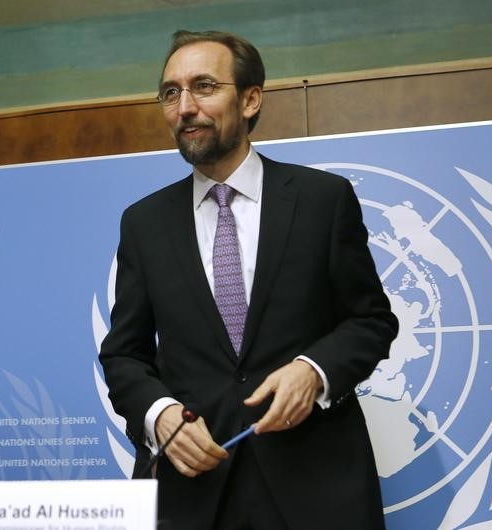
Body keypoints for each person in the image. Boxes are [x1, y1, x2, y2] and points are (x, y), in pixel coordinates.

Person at [99, 29, 398, 530]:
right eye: (171, 93)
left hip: (317, 488)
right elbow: (123, 354)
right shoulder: (144, 223)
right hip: (192, 492)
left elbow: (371, 321)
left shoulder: (322, 200)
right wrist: (159, 416)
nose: (185, 107)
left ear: (251, 99)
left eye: (204, 86)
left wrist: (313, 370)